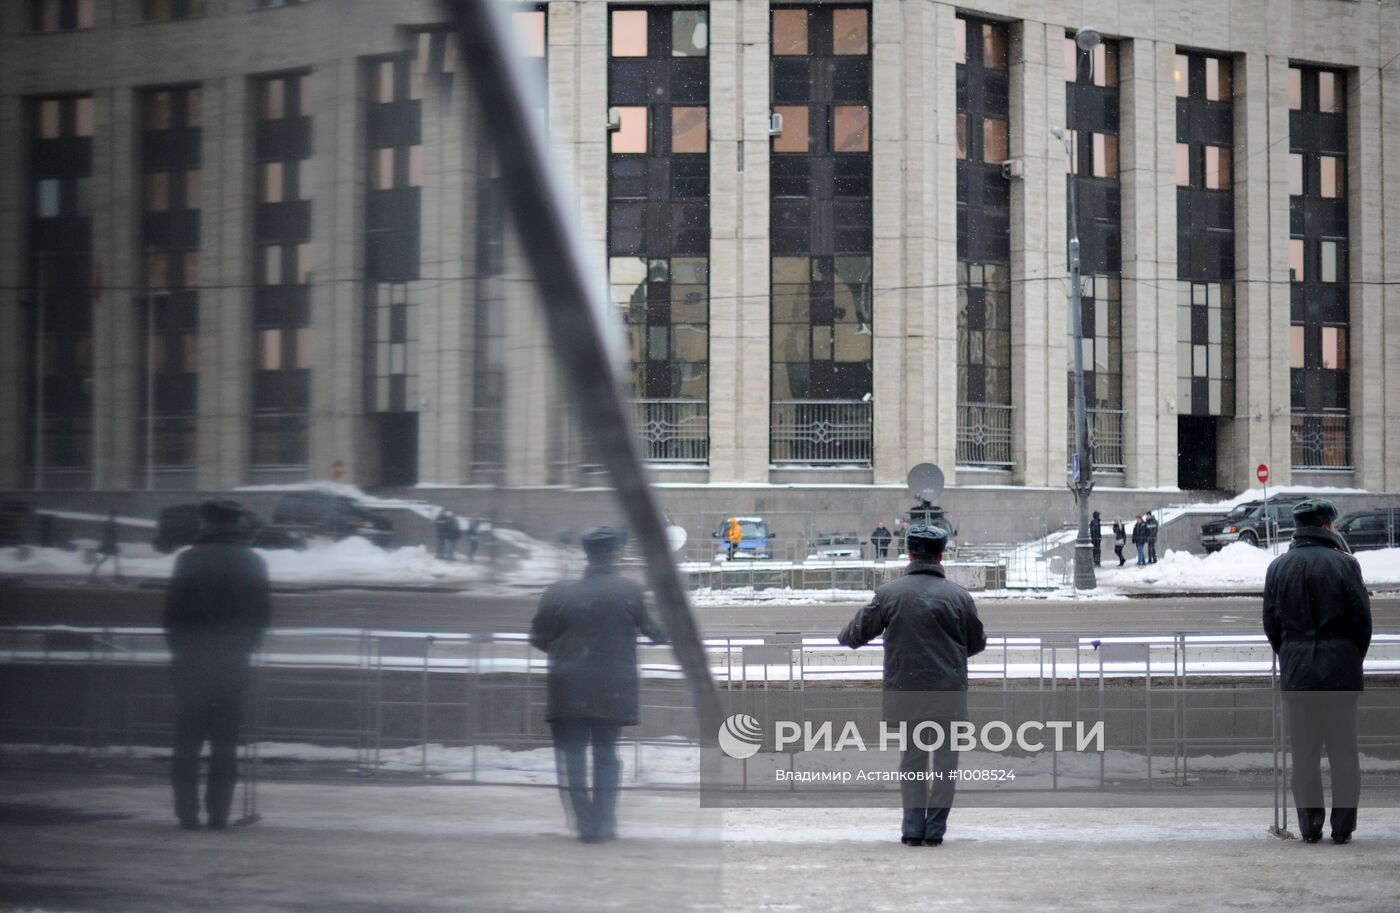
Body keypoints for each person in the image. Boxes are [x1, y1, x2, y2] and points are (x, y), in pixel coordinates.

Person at [837, 524, 986, 847]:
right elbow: (976, 643)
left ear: (910, 553)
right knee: (946, 764)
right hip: (948, 695)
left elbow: (853, 636)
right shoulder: (960, 597)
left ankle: (912, 829)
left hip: (907, 695)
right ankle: (935, 832)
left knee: (913, 762)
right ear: (942, 555)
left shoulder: (890, 594)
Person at [530, 527, 668, 843]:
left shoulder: (558, 593)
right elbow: (655, 633)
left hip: (568, 687)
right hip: (612, 688)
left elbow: (538, 639)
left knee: (573, 757)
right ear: (615, 554)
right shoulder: (629, 591)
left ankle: (585, 824)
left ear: (586, 554)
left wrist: (569, 652)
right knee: (606, 754)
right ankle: (604, 825)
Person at [1263, 498, 1371, 845]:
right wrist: (1348, 657)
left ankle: (1310, 826)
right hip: (1340, 675)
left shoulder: (1279, 567)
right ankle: (1343, 827)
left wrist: (1292, 654)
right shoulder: (1345, 565)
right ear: (1327, 526)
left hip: (1299, 676)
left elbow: (1272, 626)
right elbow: (1361, 624)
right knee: (1344, 754)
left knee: (1305, 755)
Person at [162, 499, 271, 830]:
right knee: (225, 745)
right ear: (236, 525)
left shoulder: (187, 560)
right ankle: (219, 814)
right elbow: (260, 617)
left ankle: (187, 814)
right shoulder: (252, 561)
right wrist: (241, 649)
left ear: (206, 524)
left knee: (186, 744)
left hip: (192, 666)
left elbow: (172, 617)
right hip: (231, 667)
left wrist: (184, 651)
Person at [90, 509, 122, 581]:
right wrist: (112, 542)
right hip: (109, 543)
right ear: (112, 516)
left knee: (112, 558)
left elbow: (110, 534)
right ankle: (117, 574)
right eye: (115, 516)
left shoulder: (110, 523)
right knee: (111, 558)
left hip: (109, 543)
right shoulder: (110, 523)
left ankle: (95, 570)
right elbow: (110, 534)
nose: (115, 517)